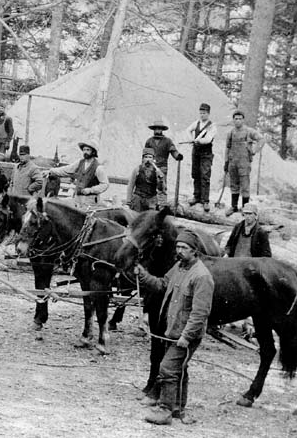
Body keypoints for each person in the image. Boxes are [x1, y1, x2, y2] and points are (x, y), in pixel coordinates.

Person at [135, 229, 215, 425]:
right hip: (172, 330)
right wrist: (144, 275)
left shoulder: (202, 277)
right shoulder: (179, 267)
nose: (179, 251)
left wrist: (187, 336)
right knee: (179, 369)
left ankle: (165, 410)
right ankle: (178, 408)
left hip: (186, 334)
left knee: (167, 368)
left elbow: (200, 313)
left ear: (195, 251)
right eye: (178, 247)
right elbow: (162, 284)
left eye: (184, 248)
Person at [46, 140, 109, 207]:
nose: (85, 152)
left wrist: (91, 190)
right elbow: (66, 170)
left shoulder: (98, 168)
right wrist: (51, 171)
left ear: (93, 152)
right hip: (77, 198)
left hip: (90, 201)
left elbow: (105, 184)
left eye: (88, 150)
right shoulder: (80, 162)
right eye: (84, 150)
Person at [224, 110, 263, 216]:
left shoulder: (249, 131)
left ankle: (246, 208)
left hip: (244, 163)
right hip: (233, 163)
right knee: (234, 185)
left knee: (245, 186)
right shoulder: (231, 133)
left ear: (243, 120)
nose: (237, 121)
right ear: (233, 120)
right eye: (235, 119)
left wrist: (254, 150)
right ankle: (234, 206)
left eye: (240, 119)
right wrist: (226, 162)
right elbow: (227, 148)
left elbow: (261, 139)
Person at [184, 103, 217, 211]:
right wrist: (190, 139)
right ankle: (196, 196)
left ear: (208, 113)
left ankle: (205, 200)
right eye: (201, 113)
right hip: (196, 152)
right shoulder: (196, 123)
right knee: (195, 174)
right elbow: (188, 130)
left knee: (205, 176)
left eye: (204, 113)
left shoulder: (212, 126)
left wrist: (197, 140)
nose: (202, 115)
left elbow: (208, 139)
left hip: (206, 154)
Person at [144, 119, 183, 207]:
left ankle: (162, 206)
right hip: (150, 167)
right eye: (156, 129)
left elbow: (173, 150)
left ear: (162, 130)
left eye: (159, 129)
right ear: (153, 130)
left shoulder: (167, 141)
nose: (157, 130)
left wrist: (177, 156)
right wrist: (144, 166)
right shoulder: (149, 141)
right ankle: (151, 206)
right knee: (149, 186)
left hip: (162, 167)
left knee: (161, 186)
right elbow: (145, 155)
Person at [127, 148, 166, 212]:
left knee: (150, 218)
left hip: (151, 200)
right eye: (146, 157)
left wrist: (161, 180)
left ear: (153, 159)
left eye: (150, 157)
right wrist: (128, 201)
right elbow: (130, 186)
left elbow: (161, 189)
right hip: (138, 198)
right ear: (143, 159)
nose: (148, 159)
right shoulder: (137, 169)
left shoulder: (157, 172)